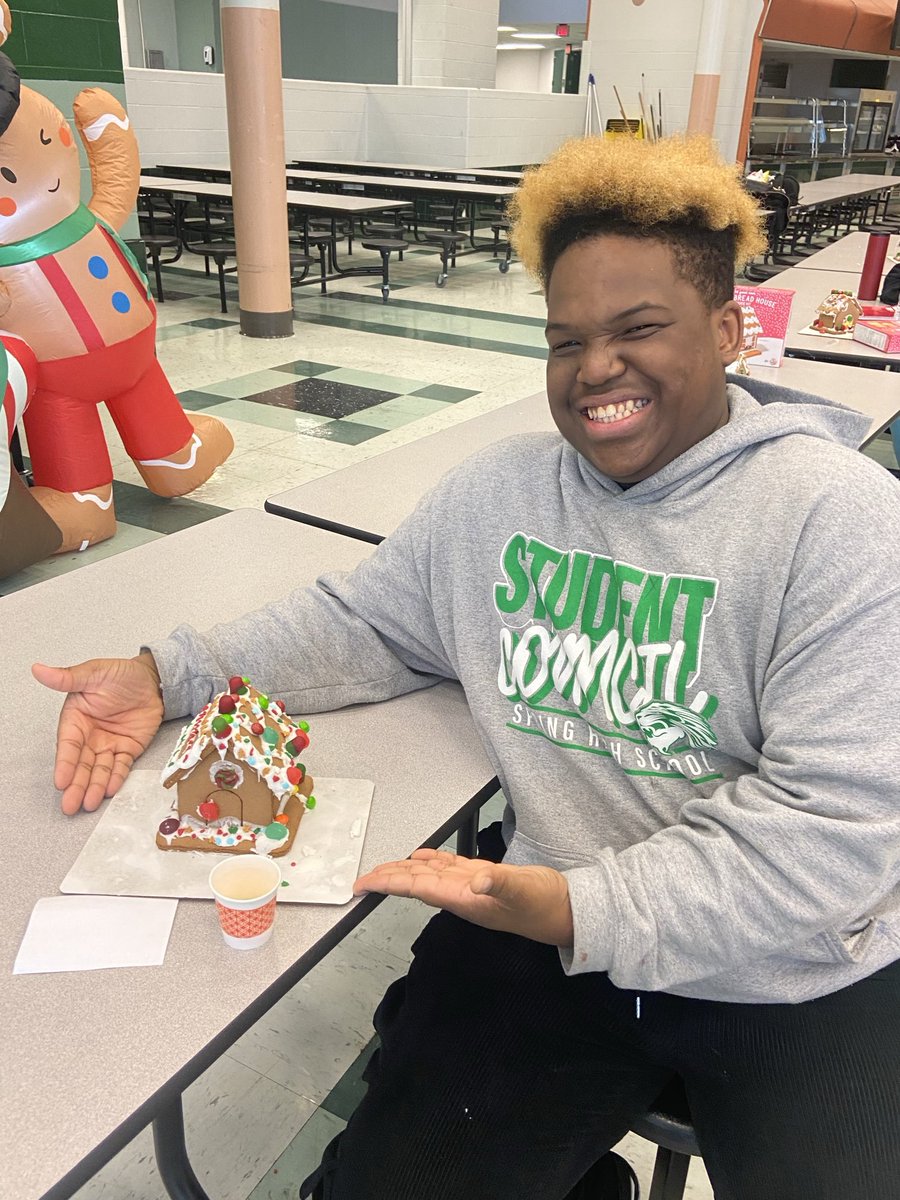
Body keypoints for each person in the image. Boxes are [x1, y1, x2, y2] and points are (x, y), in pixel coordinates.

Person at [34, 135, 900, 1200]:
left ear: (727, 330)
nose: (595, 369)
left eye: (639, 329)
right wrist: (171, 675)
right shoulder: (500, 496)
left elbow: (833, 830)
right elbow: (371, 622)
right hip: (539, 942)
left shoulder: (839, 522)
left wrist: (582, 905)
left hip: (796, 970)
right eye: (565, 338)